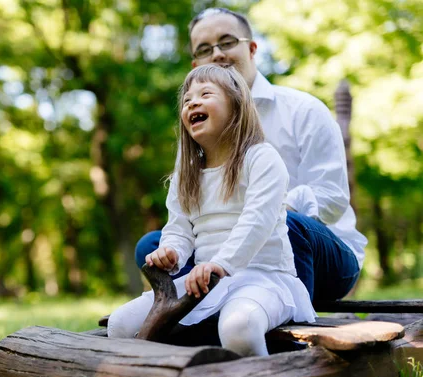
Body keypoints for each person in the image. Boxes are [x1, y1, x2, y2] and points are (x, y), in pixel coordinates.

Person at [135, 8, 367, 303]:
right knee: (152, 247)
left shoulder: (304, 110)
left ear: (252, 47)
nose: (217, 54)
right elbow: (186, 211)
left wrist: (267, 206)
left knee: (283, 223)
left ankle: (287, 322)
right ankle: (207, 311)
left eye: (227, 41)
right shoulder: (197, 130)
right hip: (227, 250)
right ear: (196, 64)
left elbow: (333, 199)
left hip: (319, 257)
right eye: (205, 49)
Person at [108, 65, 316, 357]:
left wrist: (221, 264)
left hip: (264, 278)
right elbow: (179, 230)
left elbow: (257, 221)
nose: (192, 102)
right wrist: (171, 253)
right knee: (120, 325)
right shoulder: (187, 174)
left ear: (236, 106)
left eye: (206, 94)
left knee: (239, 328)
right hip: (207, 282)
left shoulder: (261, 158)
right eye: (187, 100)